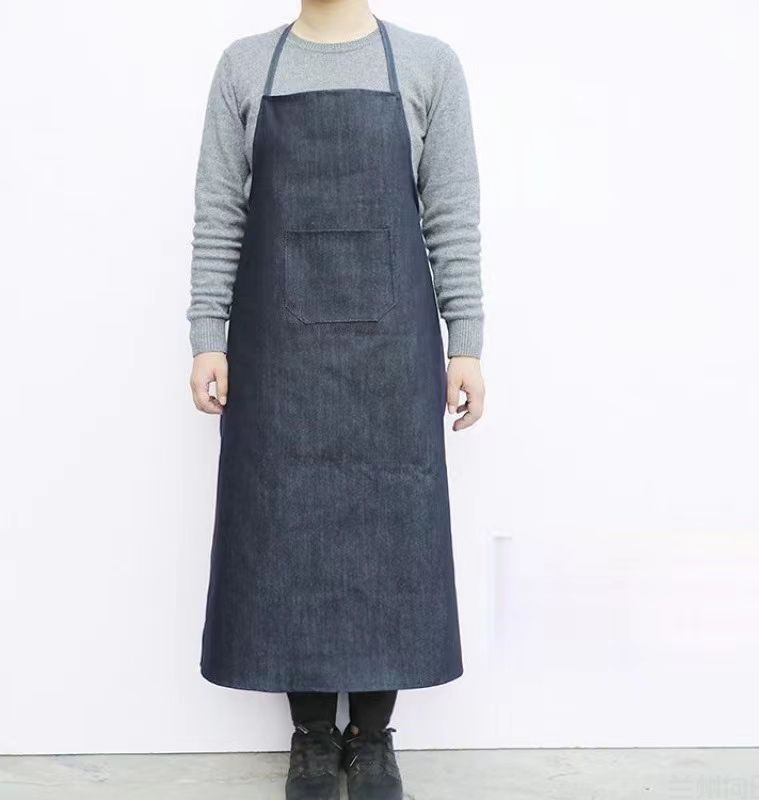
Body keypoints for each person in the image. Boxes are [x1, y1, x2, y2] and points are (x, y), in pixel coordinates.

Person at [187, 1, 485, 798]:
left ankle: (373, 737)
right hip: (275, 351)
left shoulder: (427, 64)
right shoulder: (245, 66)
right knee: (285, 525)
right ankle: (314, 738)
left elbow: (451, 211)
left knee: (393, 528)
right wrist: (208, 333)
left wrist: (466, 341)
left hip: (393, 352)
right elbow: (220, 209)